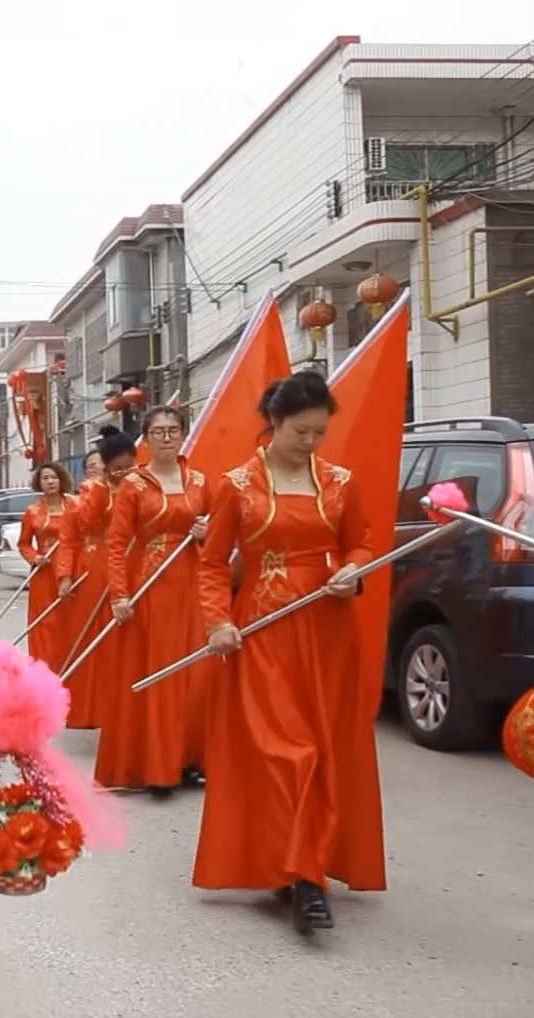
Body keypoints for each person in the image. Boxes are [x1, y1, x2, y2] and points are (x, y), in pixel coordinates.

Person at [195, 369, 385, 934]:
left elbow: (361, 542)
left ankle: (307, 869)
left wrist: (353, 572)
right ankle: (304, 878)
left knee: (322, 751)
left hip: (328, 630)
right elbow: (211, 562)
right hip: (264, 629)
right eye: (301, 431)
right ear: (275, 423)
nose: (310, 443)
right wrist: (218, 621)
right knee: (288, 751)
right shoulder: (238, 484)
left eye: (319, 433)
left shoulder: (340, 481)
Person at [104, 406, 211, 796]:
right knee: (161, 673)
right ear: (145, 440)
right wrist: (120, 594)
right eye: (158, 432)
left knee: (197, 674)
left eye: (173, 430)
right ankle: (157, 764)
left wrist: (205, 531)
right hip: (151, 584)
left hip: (194, 583)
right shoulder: (133, 484)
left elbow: (222, 533)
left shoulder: (200, 481)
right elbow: (116, 545)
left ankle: (190, 759)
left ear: (183, 435)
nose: (166, 438)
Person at [57, 434, 138, 736]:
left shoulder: (141, 484)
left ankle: (126, 703)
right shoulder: (93, 490)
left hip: (134, 561)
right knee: (96, 638)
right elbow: (83, 526)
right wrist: (65, 575)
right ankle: (93, 707)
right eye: (96, 466)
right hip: (97, 566)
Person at [17, 463, 76, 672]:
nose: (50, 482)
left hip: (72, 570)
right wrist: (34, 558)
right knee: (44, 623)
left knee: (70, 620)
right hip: (44, 572)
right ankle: (43, 669)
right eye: (45, 478)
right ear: (39, 482)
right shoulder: (32, 512)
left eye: (54, 477)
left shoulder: (75, 506)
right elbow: (23, 543)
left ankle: (70, 667)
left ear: (61, 480)